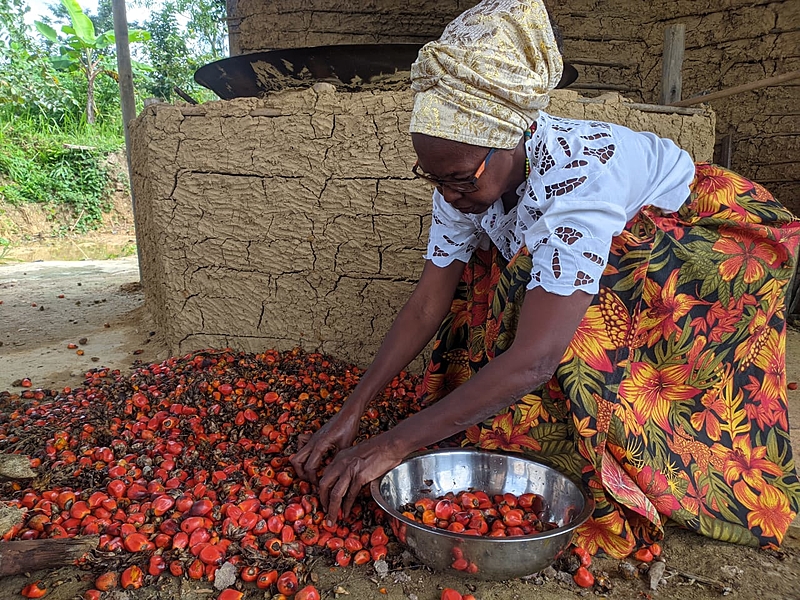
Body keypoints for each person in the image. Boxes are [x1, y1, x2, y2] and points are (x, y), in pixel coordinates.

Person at [291, 0, 800, 557]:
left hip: (709, 244)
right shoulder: (461, 180)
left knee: (578, 325)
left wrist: (391, 446)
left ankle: (630, 453)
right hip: (602, 230)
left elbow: (537, 355)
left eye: (459, 178)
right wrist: (355, 408)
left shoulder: (579, 182)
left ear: (513, 138)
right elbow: (427, 300)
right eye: (432, 177)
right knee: (487, 284)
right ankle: (518, 425)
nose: (446, 193)